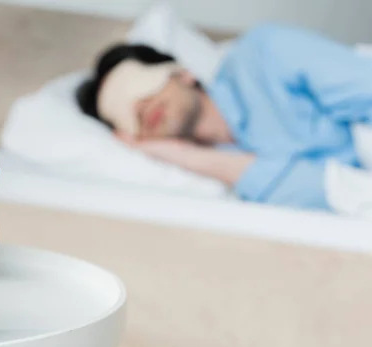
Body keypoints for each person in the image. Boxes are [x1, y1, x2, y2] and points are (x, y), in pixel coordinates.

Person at [76, 24, 372, 210]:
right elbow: (329, 200)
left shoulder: (263, 56)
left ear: (182, 73)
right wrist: (188, 157)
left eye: (139, 86)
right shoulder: (220, 178)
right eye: (125, 115)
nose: (139, 108)